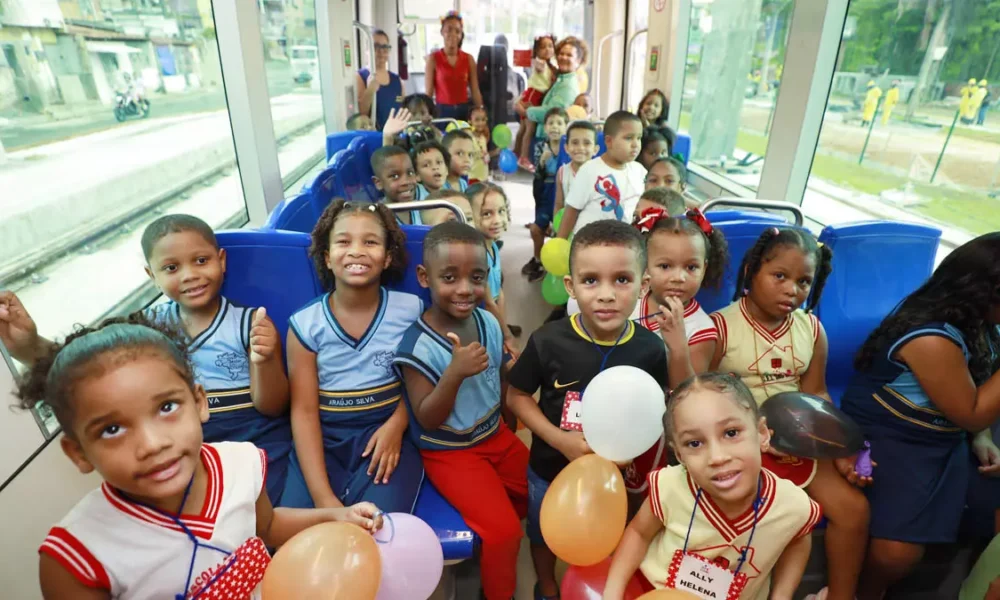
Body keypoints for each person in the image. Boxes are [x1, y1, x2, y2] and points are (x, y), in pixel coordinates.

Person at [21, 317, 382, 599]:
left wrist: (338, 515)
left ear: (199, 402)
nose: (152, 443)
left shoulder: (239, 464)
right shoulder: (74, 560)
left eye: (166, 407)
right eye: (112, 430)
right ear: (79, 453)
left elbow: (266, 527)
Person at [0, 215, 295, 506]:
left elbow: (272, 407)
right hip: (189, 446)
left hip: (256, 440)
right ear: (151, 276)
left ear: (222, 261)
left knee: (260, 509)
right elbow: (89, 364)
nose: (189, 274)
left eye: (201, 261)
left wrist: (265, 359)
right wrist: (30, 346)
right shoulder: (148, 326)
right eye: (171, 267)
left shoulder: (250, 323)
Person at [508, 220, 669, 600]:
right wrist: (558, 439)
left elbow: (654, 409)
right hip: (550, 464)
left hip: (616, 475)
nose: (606, 295)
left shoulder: (649, 349)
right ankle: (546, 584)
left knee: (608, 530)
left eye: (622, 280)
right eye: (591, 280)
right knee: (542, 530)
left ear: (643, 285)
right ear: (571, 286)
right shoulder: (548, 340)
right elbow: (516, 396)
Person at [710, 227, 869, 600]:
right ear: (751, 271)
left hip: (798, 444)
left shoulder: (811, 329)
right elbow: (705, 401)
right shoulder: (720, 327)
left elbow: (816, 394)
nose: (791, 289)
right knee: (753, 519)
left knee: (854, 511)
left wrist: (844, 448)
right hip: (741, 446)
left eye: (803, 282)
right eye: (779, 276)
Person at [841, 233, 1000, 599]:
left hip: (945, 434)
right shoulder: (930, 336)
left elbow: (980, 388)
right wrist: (977, 427)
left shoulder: (981, 324)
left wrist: (982, 436)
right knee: (895, 556)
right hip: (891, 434)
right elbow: (973, 411)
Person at [395, 222, 530, 600]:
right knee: (505, 533)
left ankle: (491, 533)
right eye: (450, 277)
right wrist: (453, 373)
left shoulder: (487, 320)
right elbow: (427, 417)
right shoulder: (418, 345)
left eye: (476, 277)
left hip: (494, 435)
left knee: (539, 490)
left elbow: (501, 377)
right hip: (451, 452)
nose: (465, 289)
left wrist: (511, 418)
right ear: (425, 277)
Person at [602, 373, 822, 600]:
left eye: (731, 433)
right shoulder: (670, 487)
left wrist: (781, 596)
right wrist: (612, 594)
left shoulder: (792, 505)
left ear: (762, 434)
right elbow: (639, 533)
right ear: (680, 455)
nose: (717, 457)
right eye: (694, 443)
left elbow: (798, 537)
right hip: (655, 592)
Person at [284, 200, 425, 514]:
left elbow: (420, 384)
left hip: (386, 431)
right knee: (301, 531)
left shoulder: (411, 310)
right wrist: (324, 502)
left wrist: (396, 426)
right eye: (344, 242)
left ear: (387, 258)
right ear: (327, 257)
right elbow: (305, 413)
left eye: (370, 242)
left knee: (377, 526)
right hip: (326, 438)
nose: (357, 251)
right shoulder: (305, 325)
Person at [525, 119, 598, 282]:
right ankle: (543, 266)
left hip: (589, 227)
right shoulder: (562, 172)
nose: (580, 148)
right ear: (566, 147)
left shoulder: (598, 173)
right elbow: (559, 203)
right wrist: (557, 227)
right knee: (564, 261)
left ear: (595, 149)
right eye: (575, 143)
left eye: (586, 143)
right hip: (567, 224)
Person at [556, 111, 646, 239]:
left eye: (639, 138)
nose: (635, 144)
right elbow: (572, 210)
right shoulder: (589, 170)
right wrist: (559, 242)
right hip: (589, 244)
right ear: (609, 141)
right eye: (628, 138)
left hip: (623, 243)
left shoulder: (639, 171)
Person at [519, 36, 589, 171]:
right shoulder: (560, 78)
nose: (563, 57)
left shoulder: (568, 85)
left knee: (547, 185)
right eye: (561, 53)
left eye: (569, 55)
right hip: (546, 139)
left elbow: (551, 112)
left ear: (578, 61)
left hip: (551, 141)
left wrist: (525, 111)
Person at [467, 182, 517, 355]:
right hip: (479, 322)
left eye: (501, 211)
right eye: (487, 214)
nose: (497, 220)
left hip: (493, 318)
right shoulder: (477, 254)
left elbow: (499, 294)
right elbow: (488, 303)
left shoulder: (493, 246)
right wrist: (507, 335)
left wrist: (502, 326)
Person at [424, 11, 483, 122]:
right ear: (442, 32)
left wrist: (481, 111)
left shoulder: (469, 59)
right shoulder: (433, 59)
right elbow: (428, 94)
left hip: (464, 112)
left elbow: (475, 91)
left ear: (461, 35)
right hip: (442, 112)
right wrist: (426, 114)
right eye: (449, 29)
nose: (453, 34)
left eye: (457, 31)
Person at [514, 35, 558, 167]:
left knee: (523, 128)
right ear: (537, 51)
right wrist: (535, 58)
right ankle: (523, 157)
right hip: (534, 96)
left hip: (535, 96)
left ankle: (516, 152)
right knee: (529, 128)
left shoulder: (551, 66)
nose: (547, 49)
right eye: (543, 47)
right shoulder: (542, 63)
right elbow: (537, 64)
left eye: (550, 46)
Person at [356, 29, 403, 130]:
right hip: (375, 138)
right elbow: (361, 114)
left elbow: (404, 111)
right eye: (376, 46)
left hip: (397, 138)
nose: (381, 51)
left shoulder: (397, 80)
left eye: (385, 47)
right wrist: (370, 91)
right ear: (367, 50)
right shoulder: (361, 77)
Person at [370, 145, 420, 224]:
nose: (406, 182)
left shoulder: (424, 207)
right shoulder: (376, 220)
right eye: (395, 176)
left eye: (410, 173)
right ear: (378, 183)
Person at [468, 106, 498, 183]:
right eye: (477, 120)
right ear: (470, 121)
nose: (480, 123)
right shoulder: (468, 137)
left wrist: (495, 152)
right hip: (472, 177)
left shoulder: (483, 137)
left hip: (484, 177)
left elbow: (483, 154)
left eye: (483, 120)